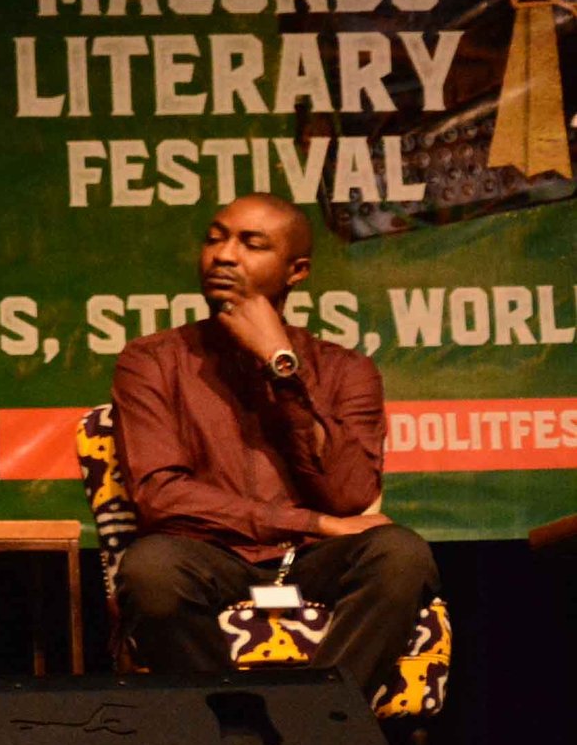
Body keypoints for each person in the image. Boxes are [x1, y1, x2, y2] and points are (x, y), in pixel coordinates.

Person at [110, 192, 437, 691]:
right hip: (209, 556)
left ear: (296, 270)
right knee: (151, 570)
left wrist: (283, 368)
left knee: (400, 555)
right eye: (215, 239)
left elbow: (350, 495)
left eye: (251, 244)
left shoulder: (347, 370)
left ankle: (316, 721)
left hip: (313, 559)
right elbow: (160, 497)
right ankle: (230, 721)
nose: (223, 255)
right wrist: (314, 522)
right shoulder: (152, 359)